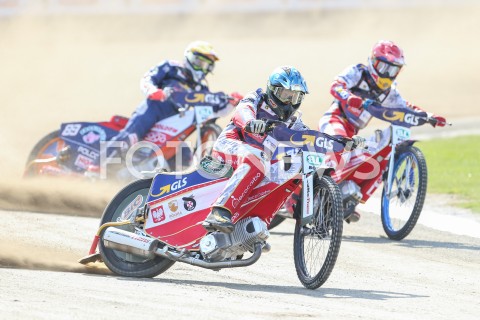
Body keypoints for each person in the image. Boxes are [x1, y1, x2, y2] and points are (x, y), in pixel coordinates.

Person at [318, 40, 446, 222]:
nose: (388, 74)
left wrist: (428, 116)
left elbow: (405, 107)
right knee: (341, 151)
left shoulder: (389, 92)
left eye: (393, 70)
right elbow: (336, 85)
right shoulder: (358, 71)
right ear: (373, 61)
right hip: (335, 119)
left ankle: (343, 199)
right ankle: (312, 189)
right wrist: (350, 98)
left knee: (370, 157)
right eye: (384, 67)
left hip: (353, 131)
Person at [202, 66, 309, 233]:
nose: (290, 102)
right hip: (229, 144)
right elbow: (242, 111)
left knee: (293, 165)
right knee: (257, 158)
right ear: (273, 91)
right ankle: (219, 211)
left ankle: (256, 226)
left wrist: (340, 142)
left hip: (258, 161)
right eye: (286, 96)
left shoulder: (294, 121)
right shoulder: (257, 98)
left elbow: (311, 136)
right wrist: (250, 123)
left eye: (295, 97)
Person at [108, 40, 240, 156]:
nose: (201, 68)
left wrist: (232, 102)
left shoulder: (202, 88)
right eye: (198, 62)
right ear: (189, 57)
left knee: (184, 158)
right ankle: (97, 166)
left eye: (205, 65)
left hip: (175, 125)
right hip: (154, 108)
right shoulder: (170, 67)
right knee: (130, 137)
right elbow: (147, 78)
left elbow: (214, 110)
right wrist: (153, 91)